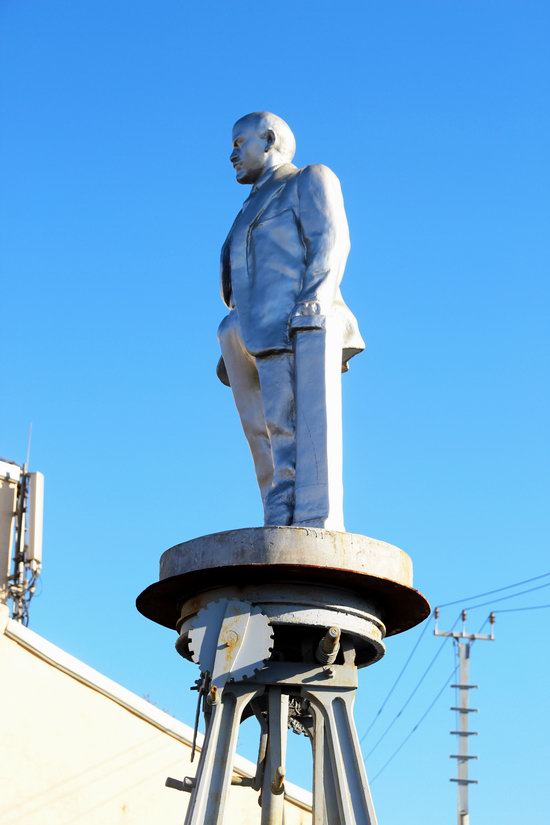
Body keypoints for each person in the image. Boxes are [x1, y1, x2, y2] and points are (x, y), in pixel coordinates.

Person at [217, 112, 364, 529]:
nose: (232, 155)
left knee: (287, 425)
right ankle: (276, 508)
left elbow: (331, 239)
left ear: (268, 139)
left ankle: (303, 514)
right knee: (260, 427)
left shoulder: (307, 180)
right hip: (246, 331)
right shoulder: (249, 205)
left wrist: (314, 299)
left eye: (238, 143)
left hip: (292, 323)